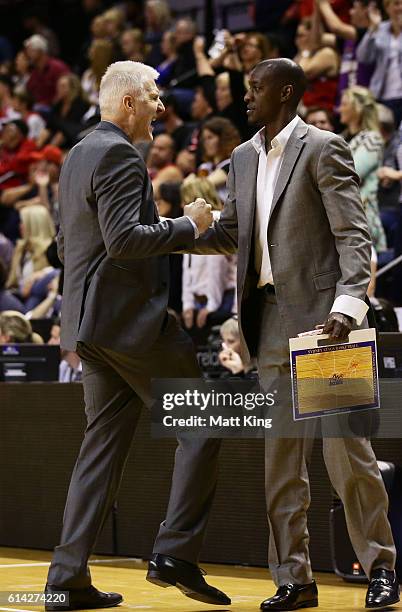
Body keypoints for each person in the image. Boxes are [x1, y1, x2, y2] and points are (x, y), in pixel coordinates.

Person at [179, 58, 399, 610]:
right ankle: (294, 579)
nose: (245, 95)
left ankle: (380, 566)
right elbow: (234, 234)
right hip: (269, 323)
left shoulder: (323, 147)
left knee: (348, 456)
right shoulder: (241, 157)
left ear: (285, 92)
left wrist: (351, 303)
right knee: (282, 462)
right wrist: (182, 230)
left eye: (255, 87)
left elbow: (354, 235)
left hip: (327, 321)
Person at [44, 60, 230, 610]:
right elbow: (126, 241)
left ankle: (65, 580)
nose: (160, 104)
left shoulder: (77, 154)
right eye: (152, 95)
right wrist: (189, 224)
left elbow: (66, 244)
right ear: (128, 102)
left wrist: (197, 237)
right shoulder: (122, 153)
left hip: (88, 326)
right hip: (131, 325)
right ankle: (175, 552)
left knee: (99, 451)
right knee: (206, 423)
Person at [339, 86, 387, 254]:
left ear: (357, 108)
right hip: (339, 215)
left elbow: (352, 172)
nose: (339, 108)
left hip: (361, 218)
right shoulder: (340, 138)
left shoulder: (372, 139)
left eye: (344, 104)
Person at [356, 0, 402, 126]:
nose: (400, 7)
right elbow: (363, 57)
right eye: (397, 4)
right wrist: (372, 29)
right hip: (382, 96)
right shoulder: (380, 28)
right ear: (387, 8)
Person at [24, 34, 70, 108]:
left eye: (31, 50)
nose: (27, 54)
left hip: (55, 109)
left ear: (41, 51)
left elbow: (67, 90)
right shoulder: (34, 72)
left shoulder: (57, 67)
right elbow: (29, 91)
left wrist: (52, 106)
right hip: (38, 109)